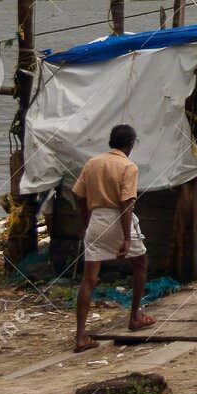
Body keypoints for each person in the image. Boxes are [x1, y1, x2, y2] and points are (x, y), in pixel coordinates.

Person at [71, 124, 154, 351]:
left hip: (96, 219)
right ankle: (135, 316)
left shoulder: (92, 163)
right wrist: (127, 238)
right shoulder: (128, 166)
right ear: (130, 144)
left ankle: (80, 336)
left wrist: (85, 221)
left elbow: (77, 194)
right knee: (140, 264)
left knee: (89, 279)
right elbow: (126, 204)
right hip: (118, 219)